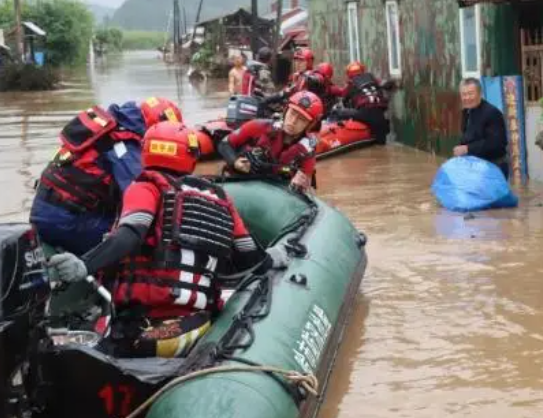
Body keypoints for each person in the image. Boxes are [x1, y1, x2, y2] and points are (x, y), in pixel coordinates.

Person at [47, 121, 286, 358]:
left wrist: (85, 265)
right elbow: (250, 259)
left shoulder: (147, 187)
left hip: (144, 330)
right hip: (198, 323)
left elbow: (130, 235)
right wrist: (273, 257)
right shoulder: (220, 197)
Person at [30, 97, 183, 255]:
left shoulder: (112, 126)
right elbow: (136, 191)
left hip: (45, 209)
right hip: (65, 221)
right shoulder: (123, 146)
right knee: (138, 242)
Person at [218, 91, 323, 192]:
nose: (293, 121)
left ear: (310, 125)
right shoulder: (259, 126)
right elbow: (224, 144)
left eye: (302, 119)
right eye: (292, 113)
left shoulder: (308, 149)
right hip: (241, 181)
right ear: (285, 111)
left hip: (276, 189)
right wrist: (235, 162)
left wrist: (300, 185)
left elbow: (307, 180)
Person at [454, 78, 509, 178]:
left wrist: (467, 148)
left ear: (480, 93)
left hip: (494, 167)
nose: (467, 97)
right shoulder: (466, 112)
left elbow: (497, 143)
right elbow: (467, 137)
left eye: (470, 93)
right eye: (464, 94)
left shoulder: (492, 113)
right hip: (475, 166)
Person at [330, 61, 392, 144]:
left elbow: (343, 95)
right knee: (381, 144)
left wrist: (331, 89)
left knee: (337, 111)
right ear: (362, 70)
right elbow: (385, 85)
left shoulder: (351, 84)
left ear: (349, 74)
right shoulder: (372, 77)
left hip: (365, 113)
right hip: (380, 117)